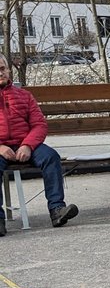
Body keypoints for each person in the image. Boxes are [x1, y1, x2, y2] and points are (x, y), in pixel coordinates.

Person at [0, 52, 78, 234]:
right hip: (1, 147)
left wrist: (27, 145)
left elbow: (39, 125)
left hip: (26, 144)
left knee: (51, 156)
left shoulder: (24, 96)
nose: (0, 73)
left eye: (2, 68)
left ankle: (57, 209)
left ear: (9, 71)